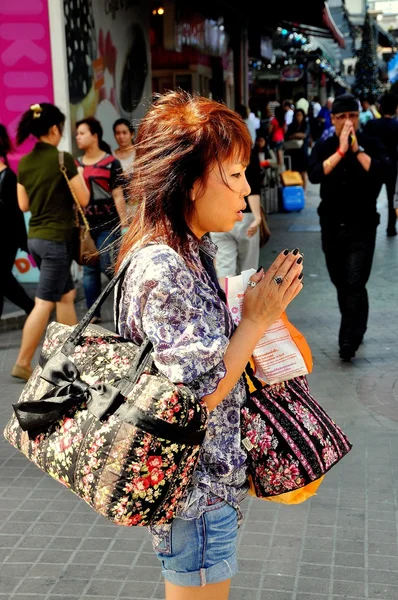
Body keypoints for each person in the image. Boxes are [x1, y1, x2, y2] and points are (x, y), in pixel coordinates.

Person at [115, 90, 303, 600]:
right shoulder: (164, 266)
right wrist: (256, 320)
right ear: (193, 181)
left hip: (205, 488)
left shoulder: (187, 250)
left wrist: (253, 315)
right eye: (235, 173)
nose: (246, 190)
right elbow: (196, 396)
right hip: (193, 498)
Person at [11, 103, 89, 381]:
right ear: (55, 129)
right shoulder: (62, 159)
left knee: (65, 295)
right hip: (57, 240)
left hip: (36, 239)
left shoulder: (25, 162)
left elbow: (23, 204)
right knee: (43, 302)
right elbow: (84, 198)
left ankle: (74, 356)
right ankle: (22, 361)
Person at [308, 93, 389, 362]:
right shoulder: (326, 145)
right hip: (331, 224)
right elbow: (315, 173)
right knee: (341, 281)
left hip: (363, 225)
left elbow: (384, 173)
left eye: (352, 116)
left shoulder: (371, 144)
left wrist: (356, 151)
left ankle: (347, 340)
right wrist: (341, 152)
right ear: (333, 119)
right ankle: (357, 325)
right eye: (341, 117)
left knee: (355, 281)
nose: (347, 122)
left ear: (358, 117)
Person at [76, 117, 127, 323]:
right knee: (89, 269)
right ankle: (93, 313)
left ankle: (123, 301)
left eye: (82, 133)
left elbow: (118, 194)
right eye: (77, 134)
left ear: (94, 136)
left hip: (108, 223)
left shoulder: (111, 162)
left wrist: (124, 223)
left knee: (108, 264)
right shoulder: (75, 164)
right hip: (86, 226)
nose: (78, 137)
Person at [210, 144, 263, 277]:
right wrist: (257, 217)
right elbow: (253, 189)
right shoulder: (247, 154)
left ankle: (225, 298)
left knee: (224, 267)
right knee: (247, 270)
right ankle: (243, 298)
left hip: (218, 217)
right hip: (244, 215)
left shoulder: (213, 152)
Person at [0, 124, 35, 319]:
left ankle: (31, 307)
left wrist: (21, 241)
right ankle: (31, 307)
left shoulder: (8, 177)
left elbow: (15, 215)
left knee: (3, 279)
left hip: (6, 240)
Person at [364, 92, 398, 236]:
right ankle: (391, 228)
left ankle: (368, 225)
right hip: (393, 166)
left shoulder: (372, 124)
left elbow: (364, 143)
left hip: (375, 165)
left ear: (381, 108)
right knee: (392, 200)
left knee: (370, 198)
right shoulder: (397, 125)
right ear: (395, 108)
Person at [284, 108, 310, 190]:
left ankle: (304, 190)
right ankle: (297, 189)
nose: (298, 117)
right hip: (294, 152)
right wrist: (296, 135)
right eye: (297, 115)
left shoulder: (306, 124)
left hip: (303, 151)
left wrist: (294, 136)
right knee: (295, 172)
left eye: (300, 115)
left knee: (303, 172)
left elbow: (304, 135)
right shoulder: (292, 125)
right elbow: (287, 137)